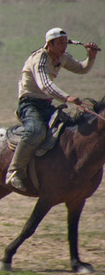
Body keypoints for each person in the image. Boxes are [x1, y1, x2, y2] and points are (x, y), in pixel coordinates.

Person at [6, 27, 100, 192]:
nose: (64, 46)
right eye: (61, 43)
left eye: (65, 43)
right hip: (29, 104)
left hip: (46, 104)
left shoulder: (61, 57)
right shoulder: (40, 59)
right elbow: (45, 85)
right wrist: (66, 98)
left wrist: (90, 57)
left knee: (70, 129)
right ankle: (14, 171)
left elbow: (81, 68)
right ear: (50, 44)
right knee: (35, 131)